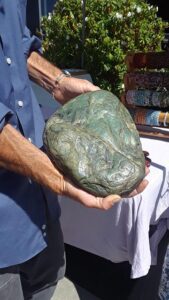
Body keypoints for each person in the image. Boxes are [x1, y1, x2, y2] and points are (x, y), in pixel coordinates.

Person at [0, 1, 149, 299]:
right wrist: (51, 175)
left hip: (40, 209)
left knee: (47, 285)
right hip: (5, 227)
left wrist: (58, 82)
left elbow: (17, 45)